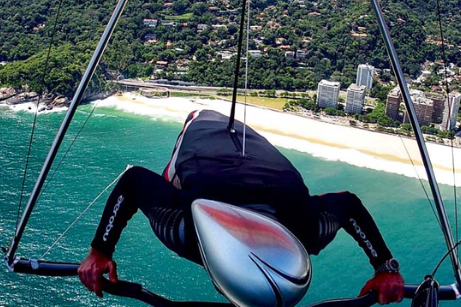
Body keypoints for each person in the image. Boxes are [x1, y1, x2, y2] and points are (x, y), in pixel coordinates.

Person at [79, 109, 405, 305]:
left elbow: (347, 205)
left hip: (251, 157)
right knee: (175, 182)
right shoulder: (183, 230)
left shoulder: (308, 228)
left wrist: (386, 269)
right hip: (200, 135)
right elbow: (134, 181)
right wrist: (99, 252)